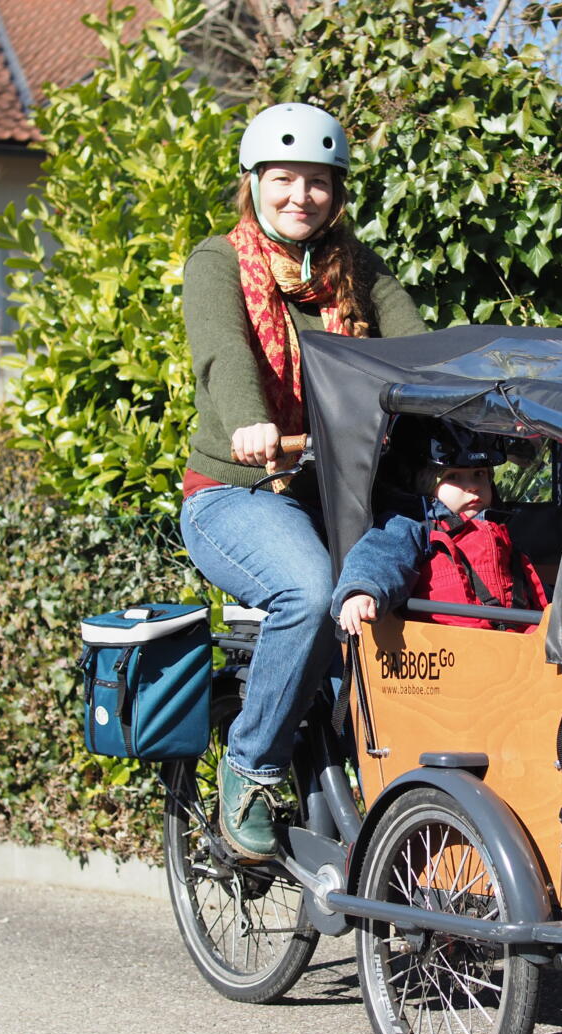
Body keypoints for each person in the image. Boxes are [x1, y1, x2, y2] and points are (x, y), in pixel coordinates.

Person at [179, 102, 427, 861]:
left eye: (317, 182)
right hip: (238, 493)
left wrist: (489, 421)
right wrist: (249, 424)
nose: (301, 196)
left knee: (436, 585)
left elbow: (423, 357)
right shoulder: (218, 262)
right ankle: (249, 769)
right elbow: (224, 354)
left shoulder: (361, 270)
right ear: (253, 183)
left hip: (338, 491)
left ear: (337, 192)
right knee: (311, 588)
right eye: (283, 179)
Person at [332, 424, 548, 638]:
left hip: (512, 649)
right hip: (443, 650)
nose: (472, 486)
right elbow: (380, 554)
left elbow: (534, 593)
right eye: (453, 476)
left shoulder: (502, 535)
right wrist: (361, 591)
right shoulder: (415, 527)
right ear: (424, 484)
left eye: (479, 474)